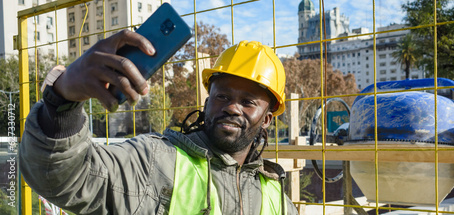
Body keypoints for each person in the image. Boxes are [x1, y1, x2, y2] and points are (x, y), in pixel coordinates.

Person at [19, 29, 299, 215]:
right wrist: (62, 100)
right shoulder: (156, 162)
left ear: (267, 119)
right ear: (207, 101)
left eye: (248, 101)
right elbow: (63, 178)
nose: (232, 108)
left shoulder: (274, 196)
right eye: (222, 96)